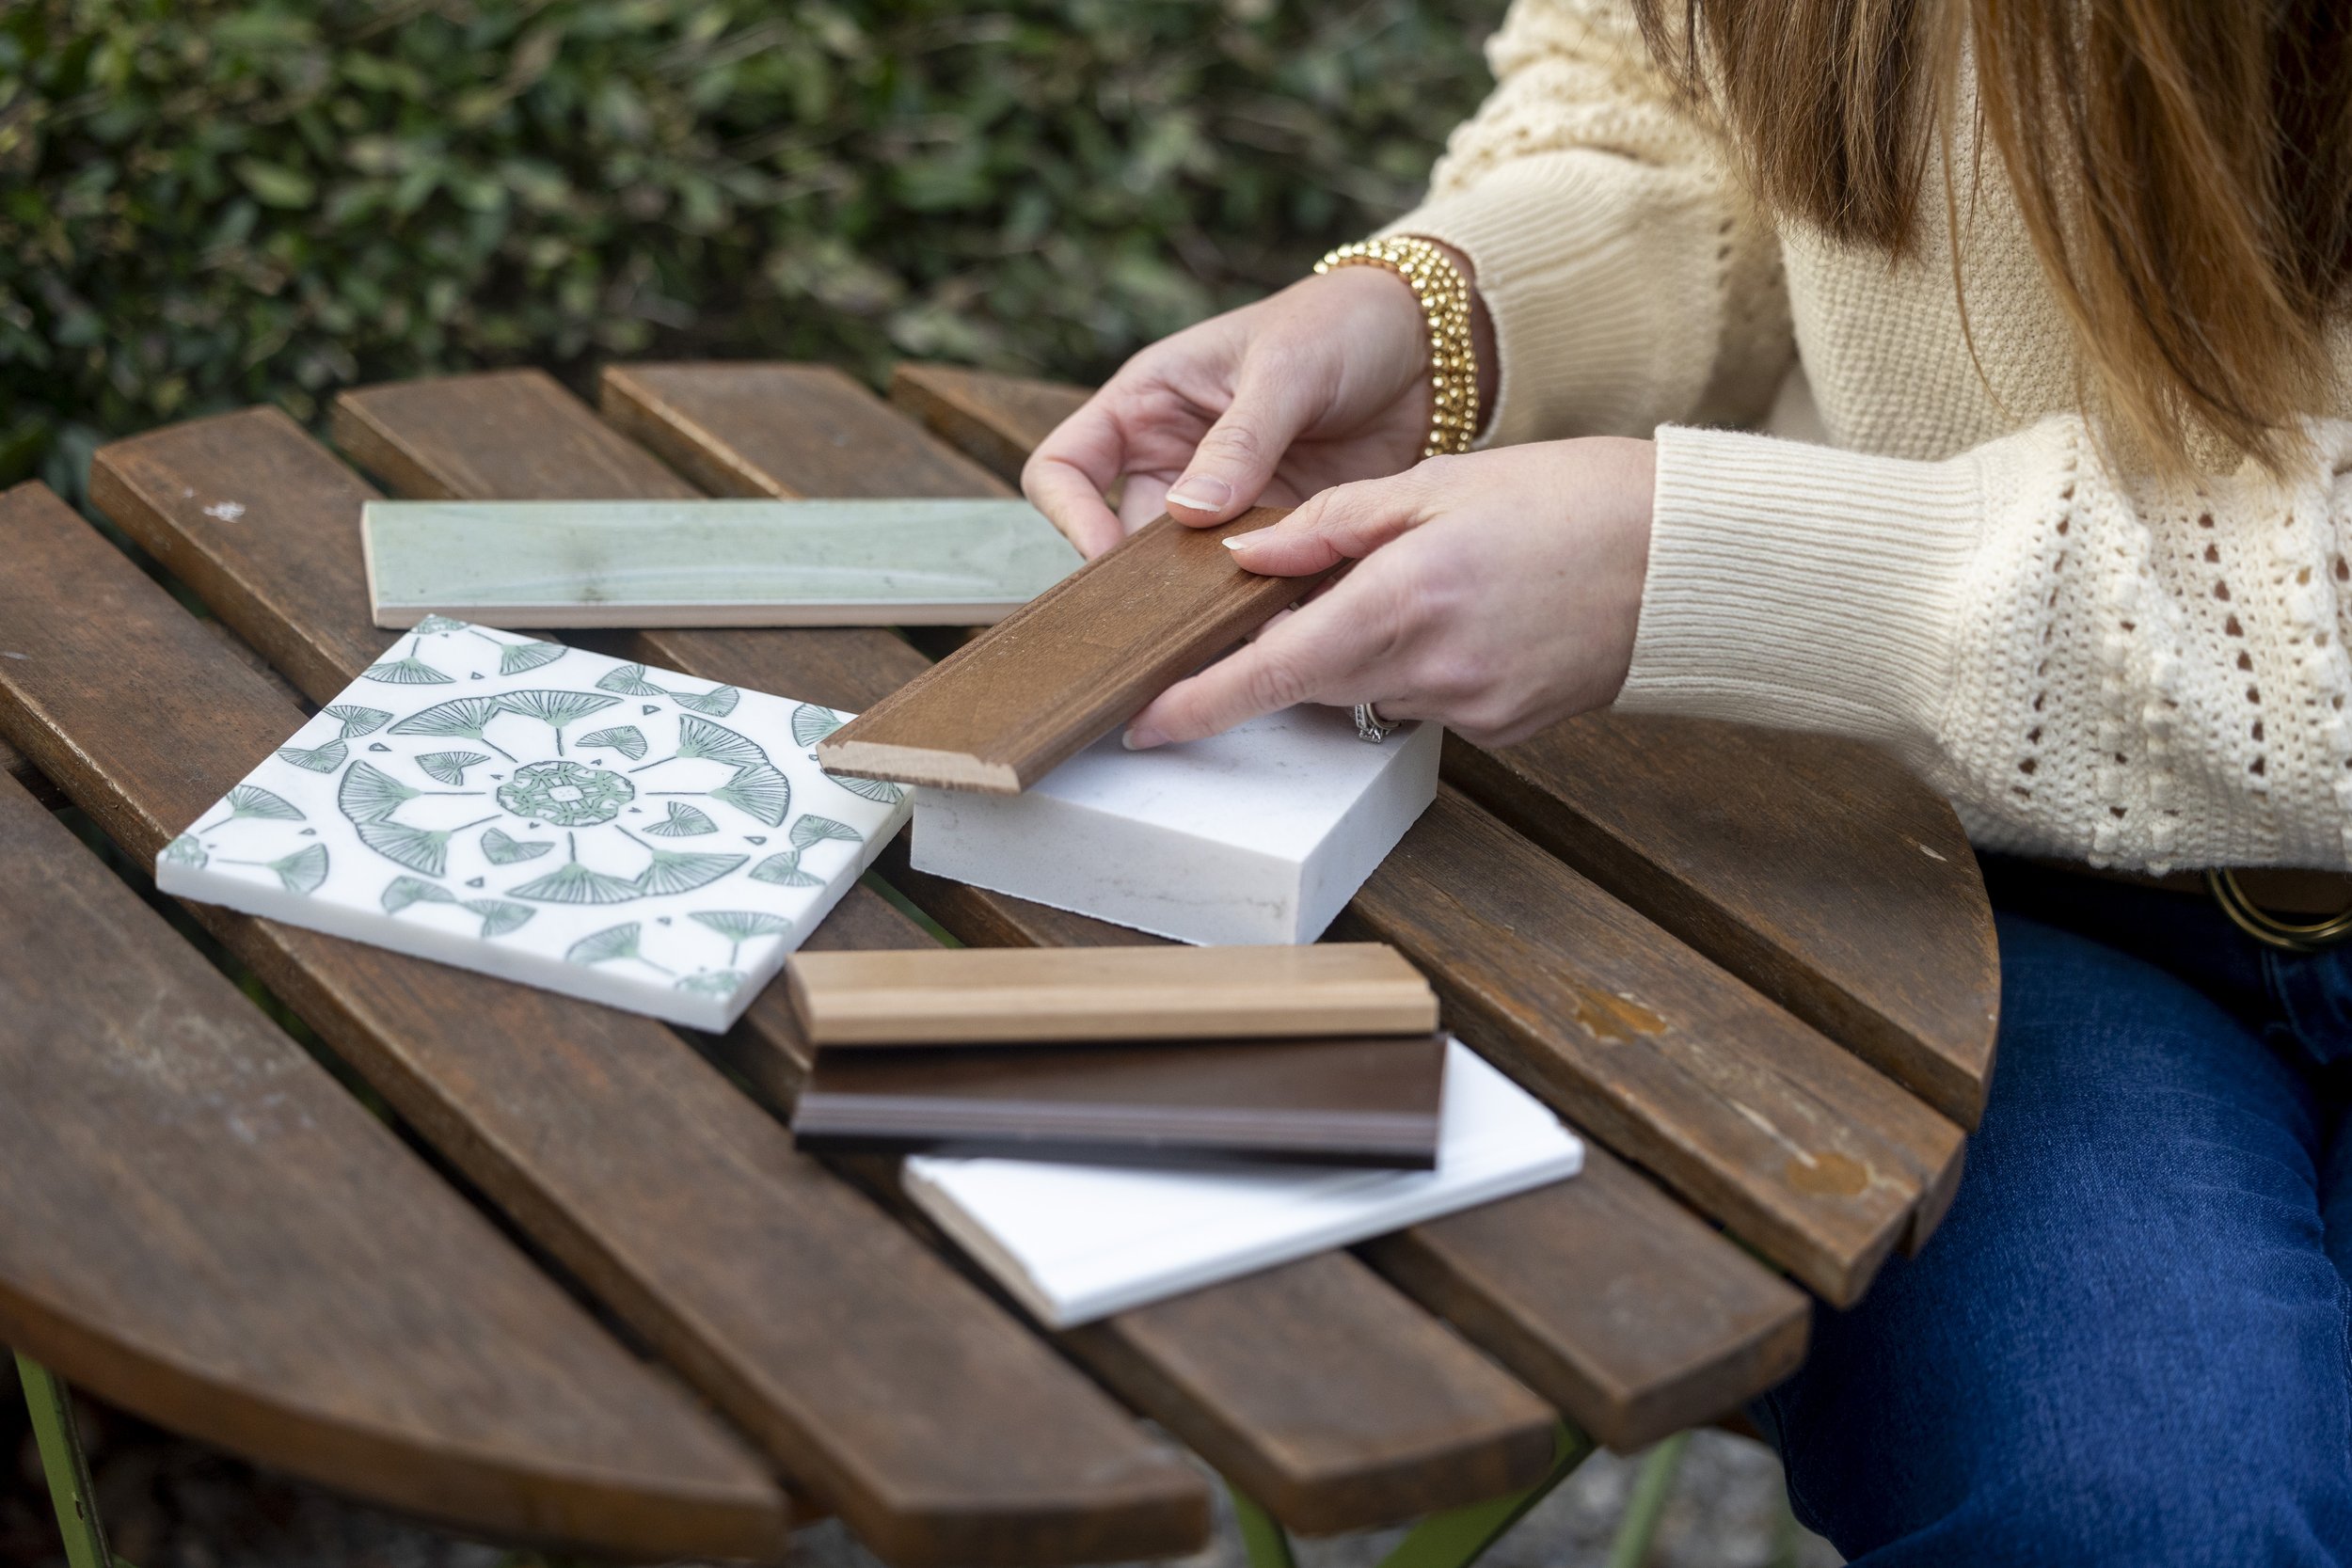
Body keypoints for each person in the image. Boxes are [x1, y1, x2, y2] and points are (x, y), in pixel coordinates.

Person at [1023, 0, 2352, 1561]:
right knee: (2130, 1518)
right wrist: (1452, 305)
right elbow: (1669, 90)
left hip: (1927, 783)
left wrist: (1711, 566)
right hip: (1957, 885)